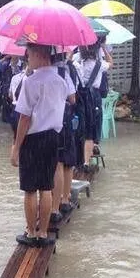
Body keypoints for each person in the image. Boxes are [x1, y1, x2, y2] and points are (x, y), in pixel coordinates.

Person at [11, 44, 75, 248]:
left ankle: (31, 232)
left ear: (39, 55)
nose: (28, 59)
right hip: (53, 137)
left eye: (29, 55)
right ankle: (43, 232)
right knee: (46, 186)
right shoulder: (61, 81)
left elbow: (24, 118)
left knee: (30, 188)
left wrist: (16, 147)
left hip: (33, 139)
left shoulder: (30, 82)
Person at [72, 42, 113, 169]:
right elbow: (111, 63)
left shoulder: (76, 62)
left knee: (80, 127)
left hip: (79, 96)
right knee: (91, 128)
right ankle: (86, 161)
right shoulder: (99, 64)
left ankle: (77, 159)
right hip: (93, 96)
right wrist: (104, 49)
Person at [50, 52, 78, 225]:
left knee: (55, 164)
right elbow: (72, 99)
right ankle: (65, 199)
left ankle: (52, 206)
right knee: (66, 162)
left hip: (47, 122)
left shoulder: (35, 75)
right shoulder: (64, 73)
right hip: (64, 120)